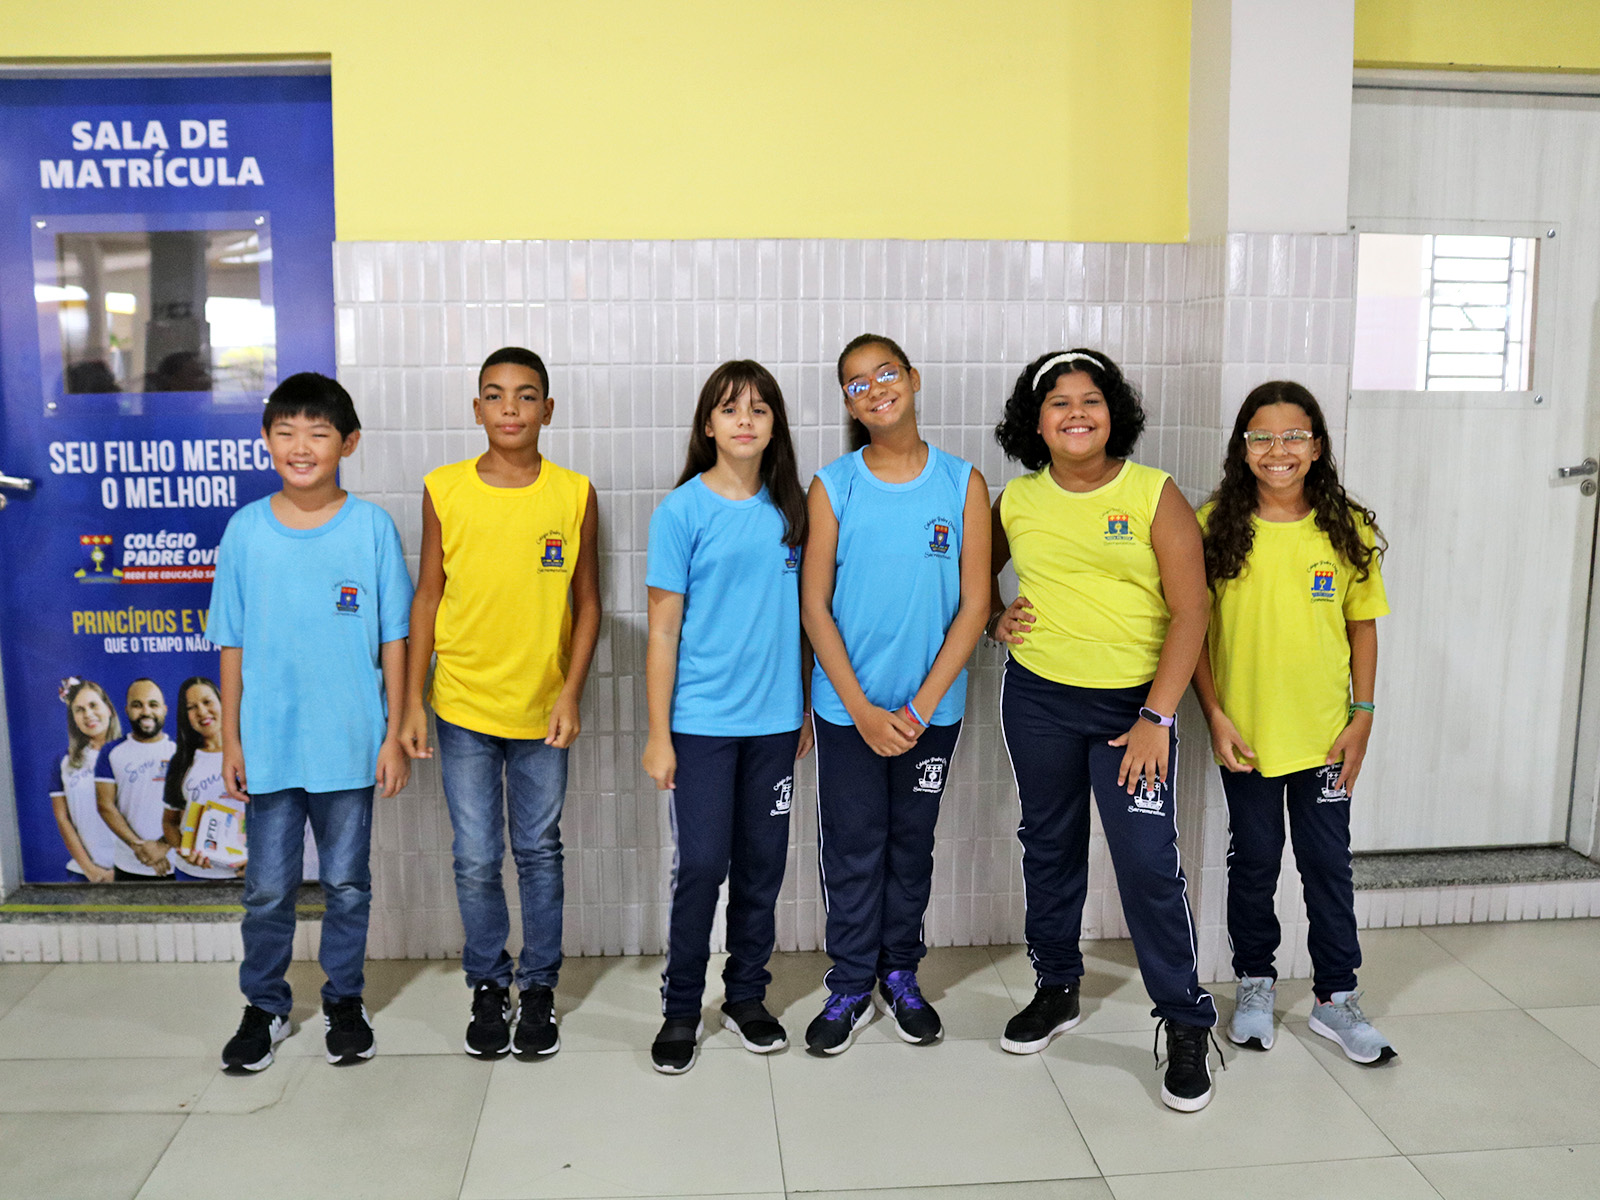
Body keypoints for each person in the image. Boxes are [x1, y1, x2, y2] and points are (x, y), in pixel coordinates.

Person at [989, 349, 1218, 1112]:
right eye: (1058, 403)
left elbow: (1192, 610)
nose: (1076, 413)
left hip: (1132, 711)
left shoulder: (1153, 493)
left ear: (1113, 412)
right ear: (1035, 422)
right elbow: (968, 575)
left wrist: (1156, 717)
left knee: (1147, 862)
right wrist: (992, 617)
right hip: (1038, 700)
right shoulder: (1017, 500)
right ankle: (1056, 987)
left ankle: (1185, 1020)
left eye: (1090, 399)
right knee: (1048, 845)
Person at [400, 346, 601, 1061]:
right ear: (476, 408)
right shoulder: (444, 488)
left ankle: (539, 987)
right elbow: (428, 596)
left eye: (525, 395)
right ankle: (488, 984)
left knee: (539, 851)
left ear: (549, 410)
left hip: (543, 708)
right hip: (461, 705)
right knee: (477, 856)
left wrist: (571, 692)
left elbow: (587, 604)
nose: (509, 408)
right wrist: (413, 700)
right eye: (494, 395)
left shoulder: (574, 493)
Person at [208, 371, 413, 1072]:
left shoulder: (371, 528)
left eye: (318, 433)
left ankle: (344, 1001)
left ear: (348, 443)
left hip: (350, 743)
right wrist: (231, 739)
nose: (301, 446)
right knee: (267, 888)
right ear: (266, 441)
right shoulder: (245, 531)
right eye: (286, 432)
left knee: (347, 885)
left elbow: (395, 639)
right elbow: (231, 643)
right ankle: (264, 1005)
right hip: (268, 746)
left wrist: (394, 734)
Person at [1192, 380, 1396, 1066]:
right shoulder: (1213, 526)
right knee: (1253, 863)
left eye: (1293, 436)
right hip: (1246, 737)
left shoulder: (1346, 528)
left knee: (1327, 866)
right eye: (1261, 436)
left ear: (1317, 446)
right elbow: (1193, 632)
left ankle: (1336, 997)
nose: (1277, 450)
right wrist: (1214, 715)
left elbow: (1362, 628)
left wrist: (1362, 716)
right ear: (1241, 446)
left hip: (1326, 737)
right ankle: (1255, 983)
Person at [800, 334, 989, 1056]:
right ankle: (851, 983)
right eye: (856, 383)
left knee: (911, 847)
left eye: (885, 373)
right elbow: (814, 607)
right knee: (853, 847)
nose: (874, 388)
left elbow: (975, 605)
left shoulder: (962, 483)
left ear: (912, 378)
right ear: (848, 404)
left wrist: (915, 709)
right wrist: (861, 710)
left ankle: (900, 974)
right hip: (847, 711)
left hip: (928, 714)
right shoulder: (834, 486)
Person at [642, 360, 812, 1074]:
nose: (745, 420)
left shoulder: (792, 510)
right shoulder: (681, 511)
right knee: (703, 865)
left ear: (775, 426)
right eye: (730, 408)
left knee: (762, 867)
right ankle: (682, 1006)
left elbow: (806, 619)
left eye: (759, 409)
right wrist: (659, 735)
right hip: (701, 724)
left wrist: (804, 707)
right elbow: (662, 631)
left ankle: (746, 996)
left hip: (775, 725)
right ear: (707, 425)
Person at [161, 677, 244, 881]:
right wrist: (185, 851)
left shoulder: (251, 753)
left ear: (223, 702)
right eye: (192, 707)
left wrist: (260, 860)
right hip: (193, 875)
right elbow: (170, 822)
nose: (202, 711)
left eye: (207, 702)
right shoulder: (181, 761)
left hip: (246, 873)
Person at [95, 679, 177, 880]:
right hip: (128, 864)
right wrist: (138, 846)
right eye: (137, 705)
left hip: (178, 864)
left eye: (153, 705)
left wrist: (163, 846)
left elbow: (191, 807)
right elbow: (105, 805)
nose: (146, 712)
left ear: (164, 710)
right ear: (127, 710)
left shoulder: (180, 752)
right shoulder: (110, 752)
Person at [51, 679, 121, 881]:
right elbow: (63, 819)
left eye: (93, 705)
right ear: (73, 719)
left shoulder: (130, 753)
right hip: (84, 873)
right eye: (79, 710)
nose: (88, 714)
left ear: (108, 709)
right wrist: (91, 870)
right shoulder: (64, 762)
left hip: (132, 870)